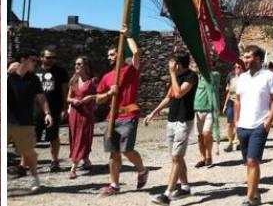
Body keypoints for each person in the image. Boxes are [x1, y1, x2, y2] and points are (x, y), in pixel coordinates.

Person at [94, 29, 148, 196]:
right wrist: (109, 93)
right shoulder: (107, 77)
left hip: (129, 115)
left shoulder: (131, 70)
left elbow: (137, 52)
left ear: (120, 54)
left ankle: (142, 170)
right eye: (108, 55)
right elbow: (98, 99)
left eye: (112, 54)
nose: (110, 57)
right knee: (113, 152)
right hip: (112, 117)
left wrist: (128, 36)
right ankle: (114, 184)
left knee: (126, 149)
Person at [146, 51, 198, 205]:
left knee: (176, 157)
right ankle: (185, 187)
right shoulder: (176, 77)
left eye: (171, 62)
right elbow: (169, 97)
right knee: (176, 157)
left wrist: (172, 74)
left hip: (183, 121)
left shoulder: (191, 76)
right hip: (172, 120)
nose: (169, 65)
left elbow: (179, 93)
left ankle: (167, 195)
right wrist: (154, 112)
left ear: (178, 64)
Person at [235, 45, 273, 206]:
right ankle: (256, 196)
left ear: (258, 58)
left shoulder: (269, 76)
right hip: (243, 126)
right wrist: (236, 121)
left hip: (259, 125)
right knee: (249, 162)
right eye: (244, 57)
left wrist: (268, 122)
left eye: (248, 57)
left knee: (253, 160)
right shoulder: (242, 77)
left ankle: (249, 198)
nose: (244, 60)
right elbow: (238, 100)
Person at [7, 50, 53, 192]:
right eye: (33, 60)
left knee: (28, 151)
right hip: (6, 119)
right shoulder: (8, 75)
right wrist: (7, 73)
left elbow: (41, 97)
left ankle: (35, 178)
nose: (36, 63)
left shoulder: (33, 79)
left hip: (24, 120)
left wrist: (47, 113)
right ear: (23, 59)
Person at [34, 47, 69, 172]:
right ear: (41, 58)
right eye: (48, 57)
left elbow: (65, 91)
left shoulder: (60, 72)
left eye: (53, 58)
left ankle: (54, 161)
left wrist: (65, 109)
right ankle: (26, 163)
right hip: (36, 110)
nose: (51, 60)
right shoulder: (34, 71)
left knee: (53, 136)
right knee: (32, 136)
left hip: (55, 109)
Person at [66, 56, 96, 179]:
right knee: (75, 138)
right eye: (75, 64)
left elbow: (99, 95)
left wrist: (89, 98)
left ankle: (73, 167)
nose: (76, 66)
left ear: (86, 66)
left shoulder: (92, 81)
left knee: (83, 137)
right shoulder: (73, 80)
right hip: (74, 113)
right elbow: (68, 98)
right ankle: (86, 160)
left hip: (86, 113)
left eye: (79, 64)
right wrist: (73, 100)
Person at [193, 64, 220, 167]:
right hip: (198, 110)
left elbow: (215, 76)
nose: (197, 66)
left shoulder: (214, 75)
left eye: (198, 64)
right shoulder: (196, 78)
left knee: (206, 133)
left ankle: (209, 155)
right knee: (200, 136)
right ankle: (203, 158)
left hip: (210, 110)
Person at [223, 62, 244, 152]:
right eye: (235, 67)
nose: (237, 68)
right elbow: (229, 92)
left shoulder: (246, 78)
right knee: (229, 123)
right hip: (231, 101)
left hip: (242, 102)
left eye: (239, 67)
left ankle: (239, 141)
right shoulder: (231, 77)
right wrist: (225, 104)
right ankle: (230, 142)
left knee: (239, 122)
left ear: (242, 68)